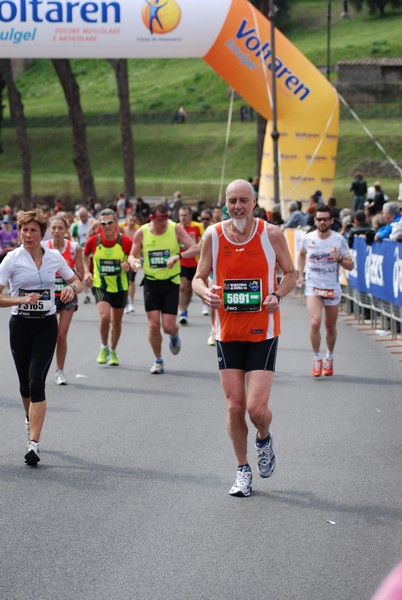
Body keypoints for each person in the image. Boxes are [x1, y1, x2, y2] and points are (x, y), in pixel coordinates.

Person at [192, 179, 296, 497]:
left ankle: (263, 438)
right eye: (232, 200)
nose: (237, 206)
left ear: (254, 203)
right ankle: (242, 469)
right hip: (227, 331)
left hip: (263, 330)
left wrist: (277, 294)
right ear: (226, 203)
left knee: (256, 409)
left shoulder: (272, 234)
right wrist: (205, 292)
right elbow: (198, 277)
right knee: (235, 407)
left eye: (243, 200)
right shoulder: (213, 235)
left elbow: (291, 273)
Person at [0, 209, 83, 466]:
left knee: (37, 381)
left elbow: (78, 281)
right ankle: (30, 418)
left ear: (42, 233)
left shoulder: (54, 257)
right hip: (20, 326)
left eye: (33, 230)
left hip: (46, 325)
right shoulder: (11, 260)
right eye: (24, 230)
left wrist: (70, 288)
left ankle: (33, 444)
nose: (27, 234)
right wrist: (21, 299)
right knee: (24, 384)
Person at [128, 202, 199, 374]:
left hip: (170, 282)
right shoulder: (142, 232)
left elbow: (195, 248)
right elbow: (132, 254)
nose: (164, 222)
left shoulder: (175, 229)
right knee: (153, 325)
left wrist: (177, 256)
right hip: (151, 282)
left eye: (166, 217)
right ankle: (158, 360)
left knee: (167, 327)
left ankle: (174, 334)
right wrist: (134, 262)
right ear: (152, 218)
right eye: (160, 219)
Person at [297, 205, 354, 378]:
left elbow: (351, 265)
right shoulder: (308, 238)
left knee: (330, 326)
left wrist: (339, 259)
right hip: (313, 287)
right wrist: (301, 275)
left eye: (325, 219)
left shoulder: (339, 240)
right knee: (315, 322)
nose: (322, 222)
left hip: (331, 287)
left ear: (331, 220)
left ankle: (329, 356)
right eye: (319, 219)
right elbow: (301, 254)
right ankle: (316, 358)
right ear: (315, 221)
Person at [83, 209, 132, 367]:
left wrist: (128, 264)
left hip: (120, 286)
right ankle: (104, 347)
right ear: (99, 224)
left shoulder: (125, 242)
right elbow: (85, 255)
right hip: (100, 285)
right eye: (103, 223)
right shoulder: (94, 241)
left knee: (116, 322)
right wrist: (86, 272)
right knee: (105, 316)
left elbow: (134, 258)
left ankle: (113, 350)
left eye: (110, 223)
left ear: (116, 223)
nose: (107, 226)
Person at [46, 215, 84, 385]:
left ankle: (59, 370)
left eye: (60, 228)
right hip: (48, 297)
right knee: (47, 335)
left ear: (66, 230)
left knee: (61, 335)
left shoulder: (74, 248)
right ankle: (42, 367)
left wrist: (71, 274)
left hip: (68, 295)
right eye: (53, 228)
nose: (56, 231)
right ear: (49, 229)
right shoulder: (43, 247)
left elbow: (81, 275)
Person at [177, 206, 203, 324]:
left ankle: (185, 308)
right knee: (182, 287)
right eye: (181, 215)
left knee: (189, 288)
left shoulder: (197, 226)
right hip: (180, 261)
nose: (183, 218)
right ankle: (182, 312)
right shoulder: (176, 228)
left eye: (185, 215)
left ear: (190, 216)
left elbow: (203, 240)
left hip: (195, 262)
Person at [70, 207, 94, 304]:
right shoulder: (75, 226)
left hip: (92, 252)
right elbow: (73, 237)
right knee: (83, 273)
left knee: (92, 272)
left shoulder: (92, 223)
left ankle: (93, 288)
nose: (83, 218)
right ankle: (87, 294)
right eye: (81, 216)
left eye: (85, 216)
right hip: (82, 252)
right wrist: (74, 245)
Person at [123, 214, 141, 313]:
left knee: (131, 281)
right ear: (127, 221)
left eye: (134, 220)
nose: (132, 222)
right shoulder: (123, 230)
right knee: (124, 281)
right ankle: (125, 302)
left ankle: (131, 302)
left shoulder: (138, 232)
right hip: (124, 259)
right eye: (131, 220)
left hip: (134, 259)